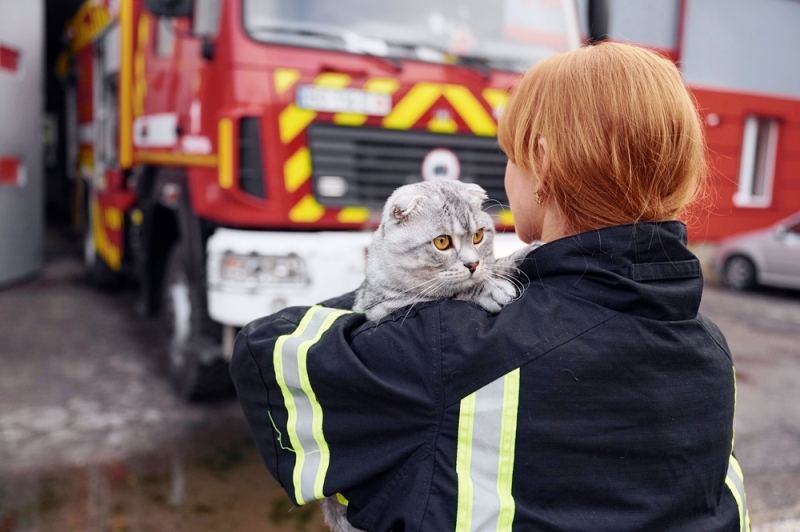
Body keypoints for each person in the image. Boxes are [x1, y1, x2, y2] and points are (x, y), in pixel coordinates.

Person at [231, 42, 750, 532]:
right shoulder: (711, 351)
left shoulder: (447, 347)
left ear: (543, 163)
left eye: (510, 154)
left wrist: (410, 283)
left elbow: (263, 353)